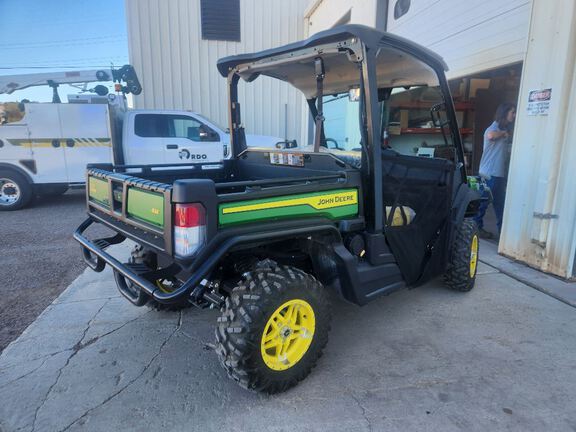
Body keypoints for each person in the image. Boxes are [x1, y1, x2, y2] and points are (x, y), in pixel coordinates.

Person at [474, 103, 516, 238]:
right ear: (504, 113)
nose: (514, 116)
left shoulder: (504, 131)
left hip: (499, 174)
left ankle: (503, 234)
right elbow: (491, 136)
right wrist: (504, 133)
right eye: (512, 112)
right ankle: (476, 229)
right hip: (489, 174)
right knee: (483, 203)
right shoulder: (493, 129)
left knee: (500, 204)